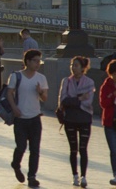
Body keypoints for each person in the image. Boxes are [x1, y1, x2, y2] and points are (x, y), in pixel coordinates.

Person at [8, 49, 48, 188]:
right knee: (21, 146)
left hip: (35, 118)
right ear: (27, 61)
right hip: (20, 118)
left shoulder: (41, 78)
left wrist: (40, 91)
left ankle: (32, 176)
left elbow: (44, 98)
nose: (38, 63)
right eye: (35, 61)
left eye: (39, 61)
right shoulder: (16, 76)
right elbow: (9, 93)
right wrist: (14, 108)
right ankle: (16, 164)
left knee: (35, 149)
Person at [59, 56, 94, 188]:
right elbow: (63, 101)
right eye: (72, 65)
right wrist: (79, 98)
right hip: (70, 119)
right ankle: (74, 174)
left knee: (83, 148)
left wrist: (73, 100)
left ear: (83, 68)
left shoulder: (89, 82)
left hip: (85, 119)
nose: (73, 68)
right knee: (73, 149)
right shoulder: (66, 82)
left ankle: (83, 176)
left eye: (76, 65)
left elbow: (88, 101)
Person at [100, 60, 116, 186]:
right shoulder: (106, 86)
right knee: (114, 150)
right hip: (110, 123)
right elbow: (103, 103)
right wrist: (112, 95)